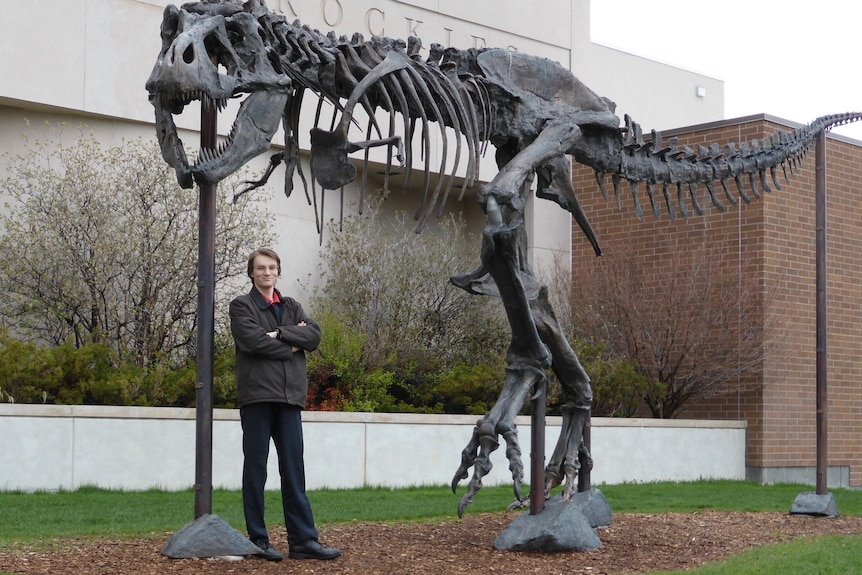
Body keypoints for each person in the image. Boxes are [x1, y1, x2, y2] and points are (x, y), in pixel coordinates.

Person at [229, 247, 341, 562]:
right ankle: (259, 541)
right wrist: (292, 343)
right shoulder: (241, 306)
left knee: (294, 470)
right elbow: (251, 341)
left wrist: (278, 334)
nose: (267, 273)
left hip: (290, 398)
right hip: (257, 398)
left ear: (278, 271)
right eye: (261, 268)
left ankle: (303, 541)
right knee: (256, 470)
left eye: (272, 268)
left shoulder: (291, 306)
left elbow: (314, 337)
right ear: (251, 272)